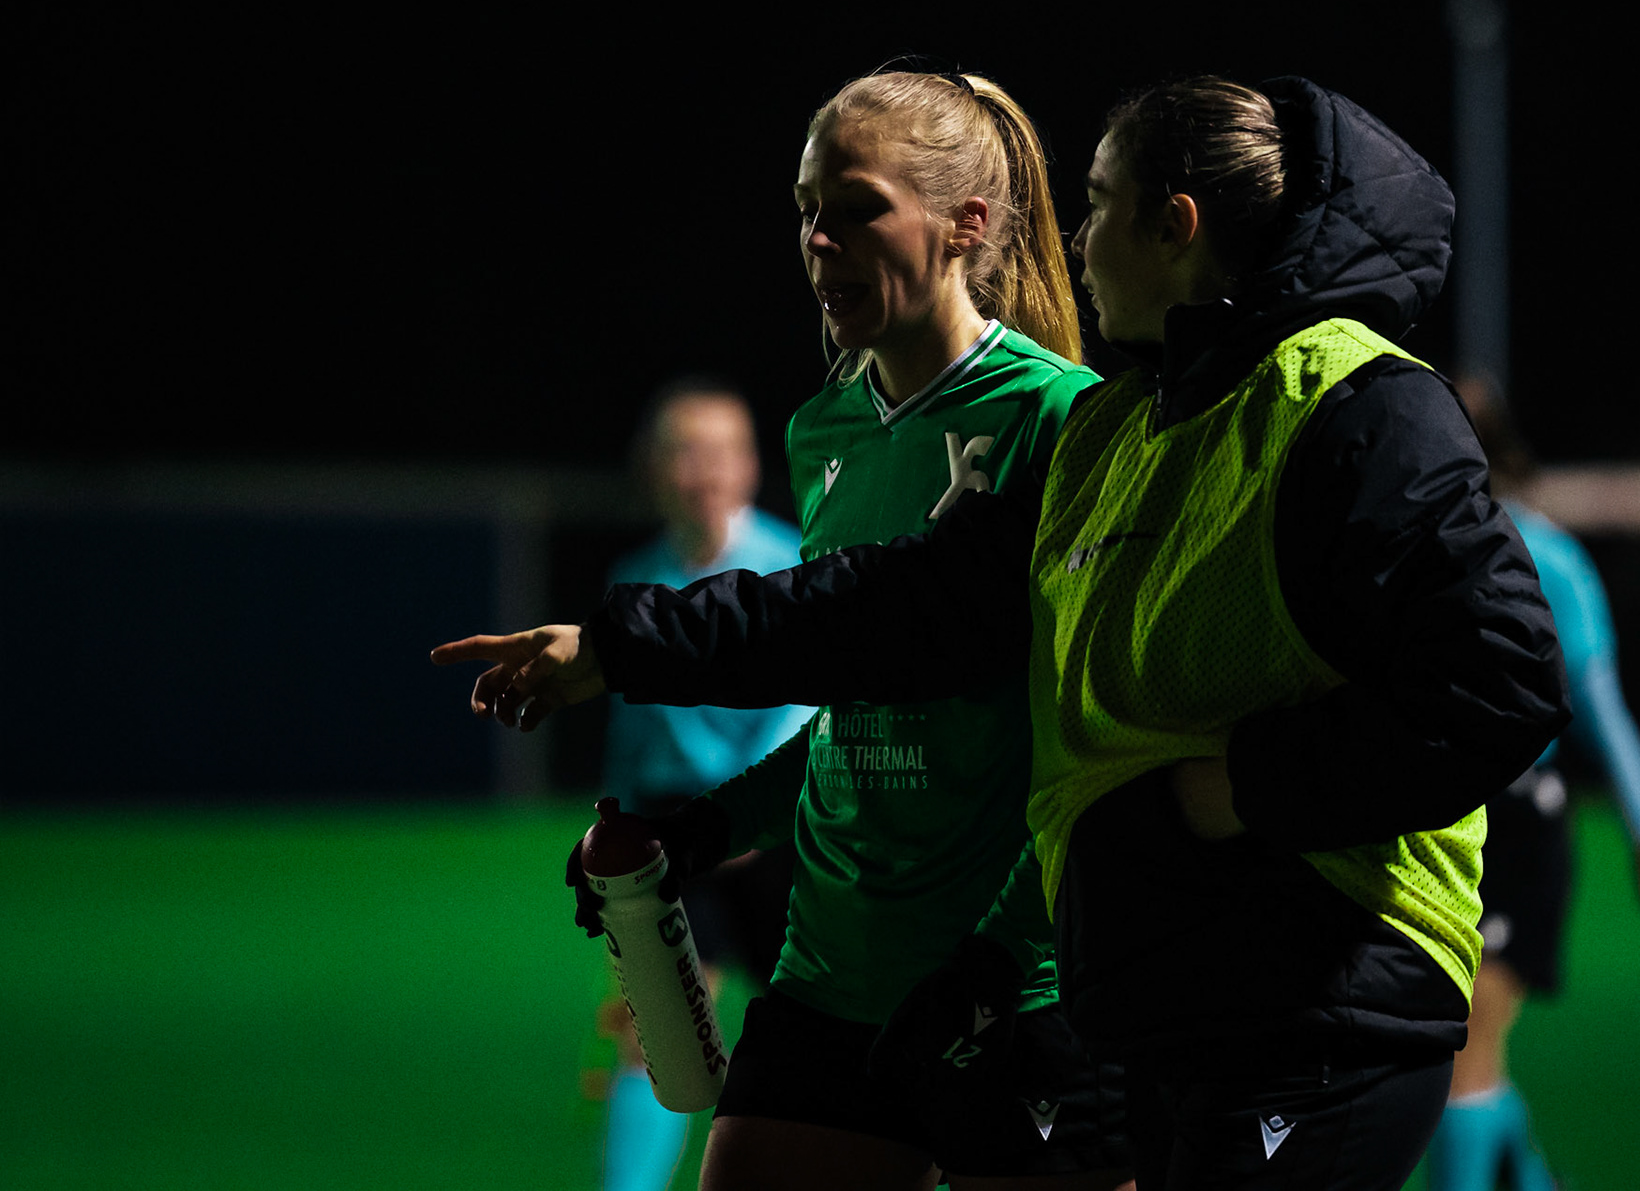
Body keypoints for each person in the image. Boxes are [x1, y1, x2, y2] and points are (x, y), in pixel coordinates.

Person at [436, 74, 1570, 1191]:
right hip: (993, 974)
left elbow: (1492, 686)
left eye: (1100, 201)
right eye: (804, 208)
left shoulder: (1270, 402)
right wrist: (680, 773)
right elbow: (883, 639)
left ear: (1167, 225)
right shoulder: (1090, 425)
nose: (1074, 238)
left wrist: (1205, 803)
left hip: (1198, 986)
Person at [464, 69, 1132, 1191]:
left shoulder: (1062, 418)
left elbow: (1101, 753)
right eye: (806, 207)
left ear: (968, 223)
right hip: (829, 979)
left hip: (1010, 994)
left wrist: (994, 966)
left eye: (857, 204)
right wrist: (701, 831)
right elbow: (855, 712)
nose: (819, 237)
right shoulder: (826, 426)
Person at [1422, 381, 1640, 1191]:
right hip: (1430, 831)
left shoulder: (1549, 560)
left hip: (1516, 835)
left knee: (1462, 1058)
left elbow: (1599, 709)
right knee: (1458, 1062)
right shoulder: (1399, 553)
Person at [587, 378, 814, 1191]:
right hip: (667, 835)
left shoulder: (790, 561)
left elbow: (804, 701)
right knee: (657, 1028)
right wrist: (606, 832)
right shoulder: (635, 577)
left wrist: (742, 814)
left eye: (722, 450)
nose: (704, 469)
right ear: (651, 468)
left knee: (813, 1027)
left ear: (751, 465)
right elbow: (629, 724)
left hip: (777, 825)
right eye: (685, 450)